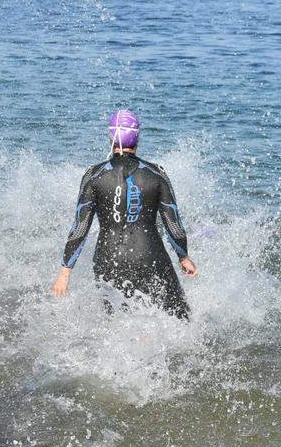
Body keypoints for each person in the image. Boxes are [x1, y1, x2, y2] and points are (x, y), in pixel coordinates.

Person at [50, 110, 198, 319]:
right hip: (150, 257)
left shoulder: (93, 175)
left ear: (110, 137)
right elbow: (173, 224)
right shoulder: (156, 173)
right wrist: (183, 256)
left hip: (109, 260)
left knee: (118, 324)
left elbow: (80, 227)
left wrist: (64, 273)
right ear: (137, 137)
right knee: (180, 318)